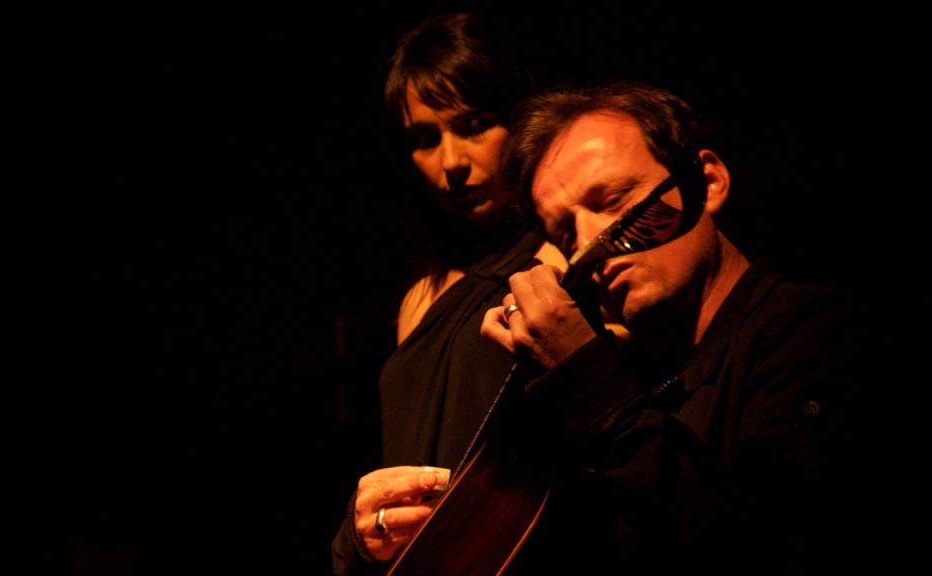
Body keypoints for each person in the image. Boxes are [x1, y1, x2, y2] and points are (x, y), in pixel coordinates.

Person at [469, 79, 875, 573]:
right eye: (566, 233)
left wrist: (590, 385)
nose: (590, 243)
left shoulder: (817, 334)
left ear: (708, 182)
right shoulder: (636, 381)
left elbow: (761, 548)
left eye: (614, 200)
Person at [330, 12, 566, 574]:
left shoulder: (560, 261)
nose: (451, 163)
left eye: (475, 125)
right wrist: (364, 535)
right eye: (425, 139)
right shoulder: (422, 295)